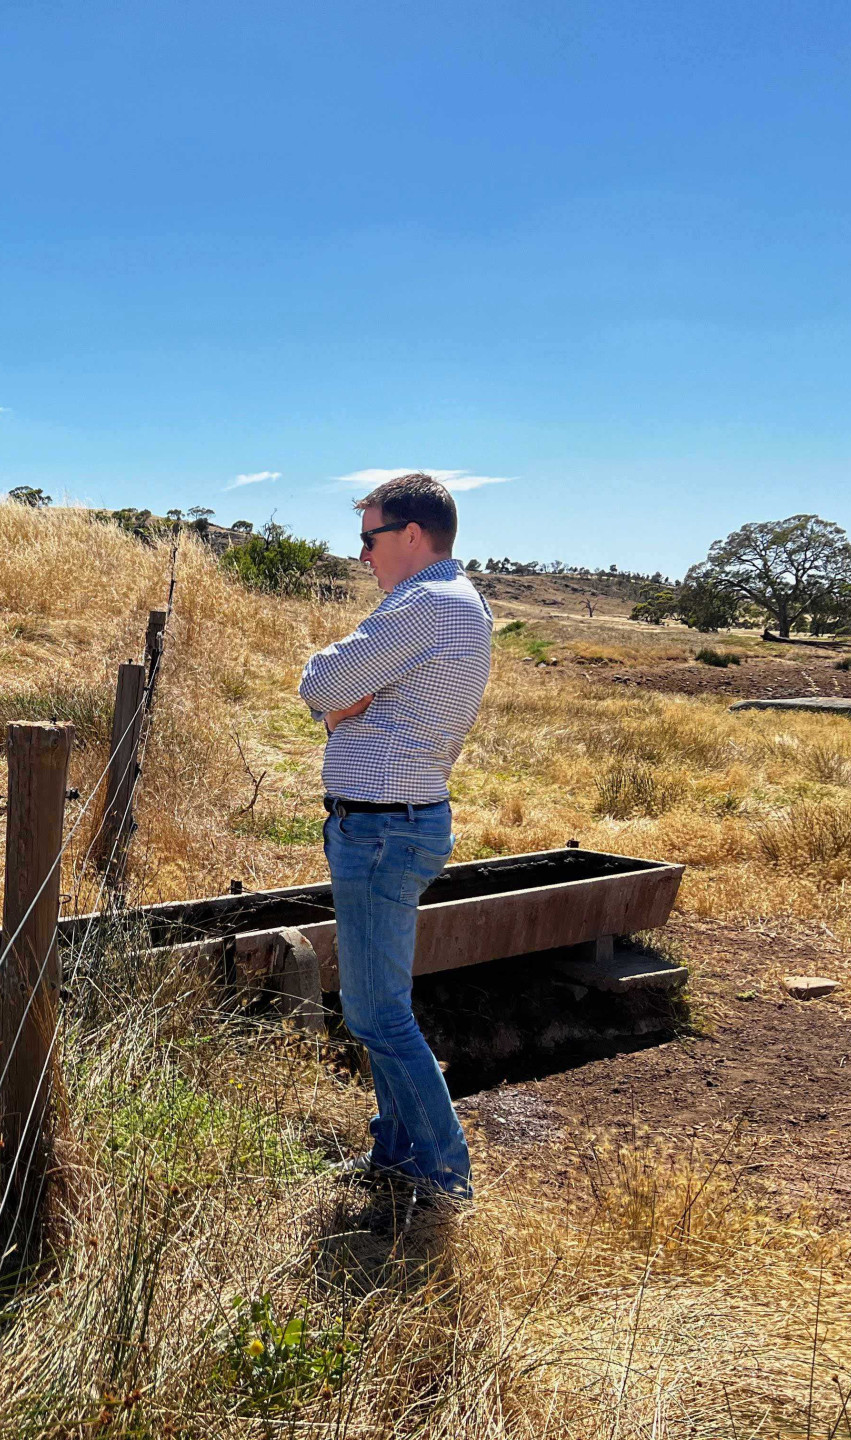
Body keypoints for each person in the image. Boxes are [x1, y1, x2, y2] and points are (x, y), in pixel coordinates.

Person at [298, 472, 493, 1203]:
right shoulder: (455, 602)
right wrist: (349, 701)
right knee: (385, 1004)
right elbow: (341, 697)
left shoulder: (425, 605)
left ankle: (444, 1175)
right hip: (394, 822)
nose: (362, 555)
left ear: (412, 535)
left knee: (375, 1012)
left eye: (369, 537)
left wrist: (342, 698)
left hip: (381, 827)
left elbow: (320, 682)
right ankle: (399, 1156)